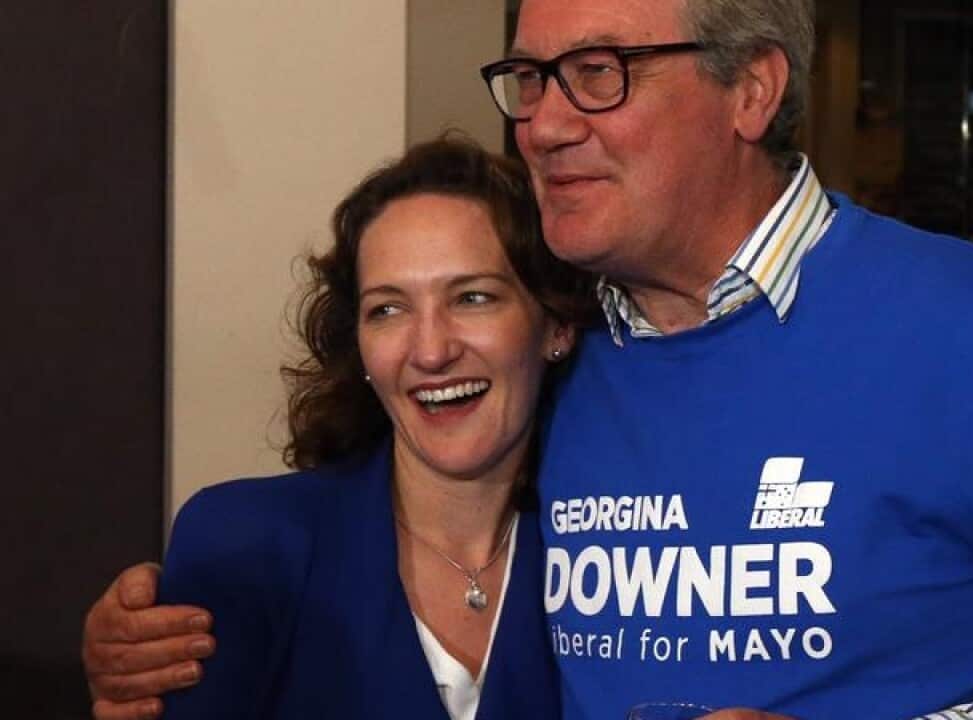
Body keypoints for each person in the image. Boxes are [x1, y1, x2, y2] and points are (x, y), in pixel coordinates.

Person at [84, 1, 973, 719]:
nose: (542, 123)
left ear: (751, 89)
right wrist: (159, 644)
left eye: (599, 71)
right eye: (528, 80)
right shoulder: (552, 356)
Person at [90, 135, 596, 720]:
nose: (431, 351)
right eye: (388, 309)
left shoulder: (614, 556)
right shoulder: (243, 546)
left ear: (556, 325)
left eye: (473, 298)